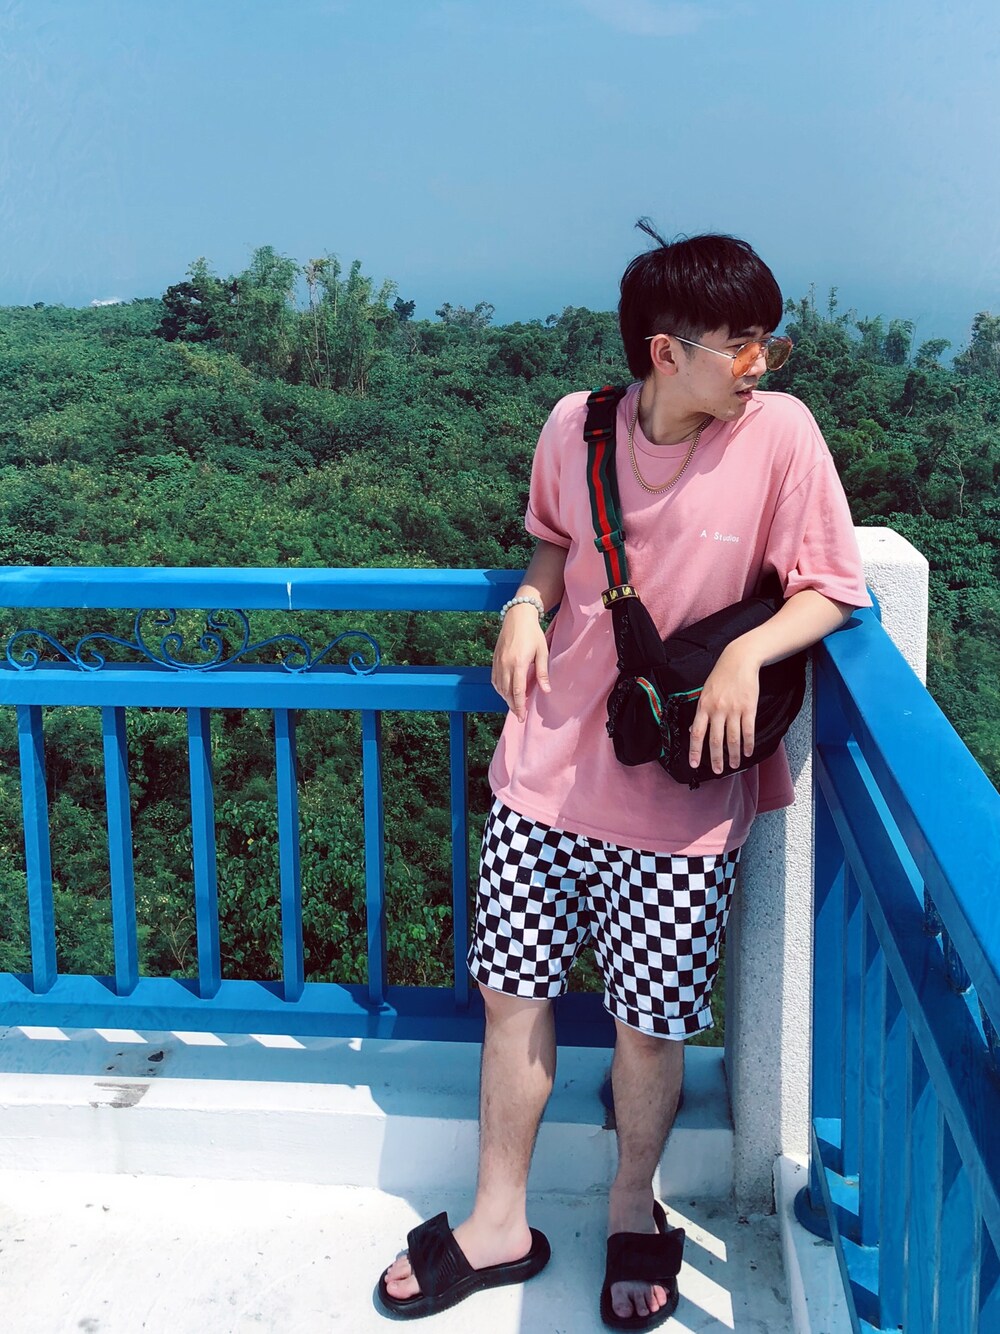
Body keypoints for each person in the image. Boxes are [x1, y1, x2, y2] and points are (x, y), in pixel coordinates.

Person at [377, 224, 870, 1329]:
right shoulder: (577, 423)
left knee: (651, 1025)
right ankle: (496, 1220)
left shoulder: (780, 434)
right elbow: (557, 541)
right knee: (512, 997)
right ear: (665, 352)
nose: (759, 363)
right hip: (544, 772)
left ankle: (630, 1204)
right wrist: (525, 603)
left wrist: (746, 653)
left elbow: (834, 587)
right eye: (739, 344)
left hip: (677, 802)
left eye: (766, 341)